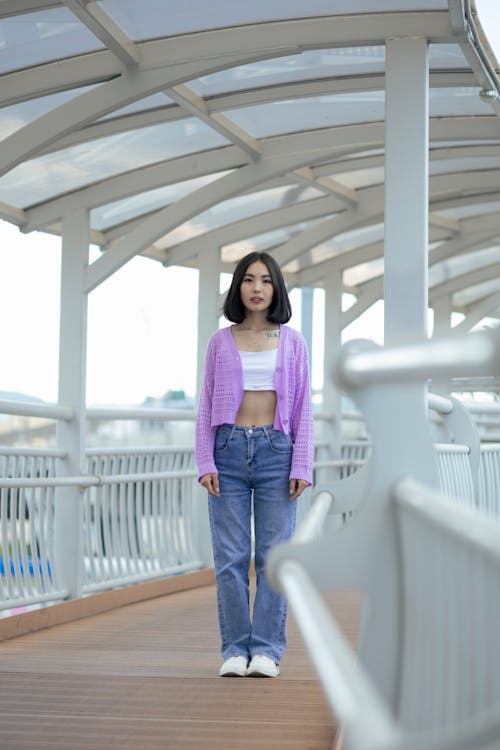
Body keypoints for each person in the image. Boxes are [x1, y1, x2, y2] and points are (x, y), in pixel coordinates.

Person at [195, 251, 314, 678]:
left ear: (276, 288)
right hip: (227, 450)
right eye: (249, 279)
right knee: (230, 558)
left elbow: (302, 407)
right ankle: (234, 649)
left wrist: (302, 463)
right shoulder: (219, 342)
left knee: (272, 557)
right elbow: (206, 403)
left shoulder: (293, 341)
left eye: (266, 280)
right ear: (238, 288)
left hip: (276, 452)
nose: (258, 287)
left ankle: (265, 649)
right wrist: (204, 458)